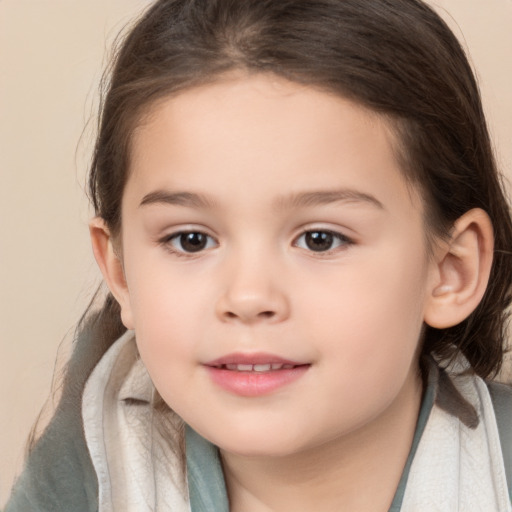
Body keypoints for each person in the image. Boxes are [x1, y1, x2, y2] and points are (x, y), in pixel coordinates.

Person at [5, 0, 512, 510]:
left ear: (451, 271)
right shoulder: (86, 480)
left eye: (320, 239)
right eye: (191, 240)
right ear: (121, 273)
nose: (248, 297)